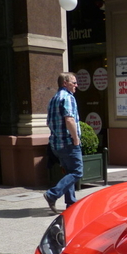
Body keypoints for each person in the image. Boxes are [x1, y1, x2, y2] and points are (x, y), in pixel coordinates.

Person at [43, 72, 83, 214]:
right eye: (74, 83)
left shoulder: (53, 99)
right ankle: (52, 194)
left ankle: (71, 204)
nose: (76, 86)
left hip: (57, 144)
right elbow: (69, 119)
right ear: (65, 83)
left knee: (69, 172)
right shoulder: (68, 97)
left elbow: (48, 122)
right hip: (68, 143)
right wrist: (76, 139)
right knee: (77, 172)